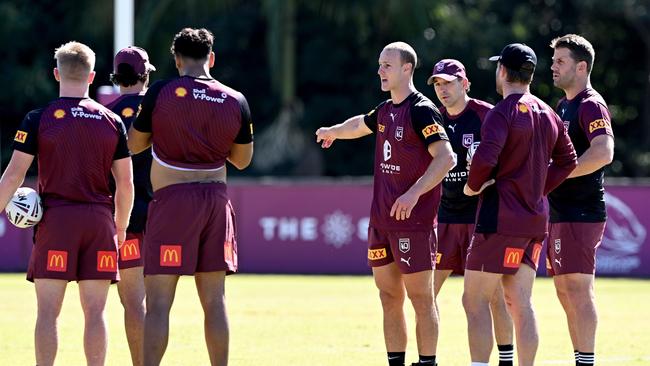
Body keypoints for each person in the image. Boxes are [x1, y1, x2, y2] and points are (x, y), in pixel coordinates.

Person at [316, 42, 455, 366]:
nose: (380, 70)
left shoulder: (421, 109)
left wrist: (413, 194)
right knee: (388, 296)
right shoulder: (385, 109)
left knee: (422, 298)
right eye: (380, 64)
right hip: (381, 222)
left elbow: (446, 157)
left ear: (407, 69)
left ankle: (427, 362)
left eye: (387, 65)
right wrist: (334, 132)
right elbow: (359, 124)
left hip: (413, 222)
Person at [0, 41, 134, 366]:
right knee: (97, 312)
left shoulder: (38, 118)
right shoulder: (112, 121)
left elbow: (13, 176)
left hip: (57, 222)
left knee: (47, 312)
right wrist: (120, 227)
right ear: (92, 77)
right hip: (100, 222)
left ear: (56, 73)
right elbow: (125, 183)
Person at [127, 28, 253, 366]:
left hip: (172, 204)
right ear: (211, 58)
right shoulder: (235, 99)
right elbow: (242, 160)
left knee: (158, 303)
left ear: (177, 60)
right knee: (215, 302)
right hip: (216, 201)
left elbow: (134, 144)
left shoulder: (160, 92)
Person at [462, 43, 577, 366]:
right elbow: (568, 161)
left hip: (500, 219)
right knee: (520, 302)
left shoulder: (503, 111)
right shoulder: (549, 112)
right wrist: (539, 189)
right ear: (530, 74)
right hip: (534, 220)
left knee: (474, 300)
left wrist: (472, 187)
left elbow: (486, 157)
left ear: (502, 71)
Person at [427, 59, 514, 366]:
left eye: (448, 83)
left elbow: (510, 159)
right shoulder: (431, 118)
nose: (442, 89)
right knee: (425, 295)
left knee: (491, 297)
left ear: (465, 84)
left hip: (481, 218)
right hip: (444, 218)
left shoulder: (487, 115)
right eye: (437, 84)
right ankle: (428, 359)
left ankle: (506, 359)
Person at [547, 34, 615, 366]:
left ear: (581, 66)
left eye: (560, 61)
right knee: (564, 289)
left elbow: (603, 151)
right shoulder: (563, 106)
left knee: (577, 288)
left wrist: (557, 174)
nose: (553, 67)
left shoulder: (590, 103)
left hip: (582, 211)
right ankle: (579, 358)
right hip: (561, 211)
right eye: (553, 60)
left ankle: (586, 361)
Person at [104, 45, 156, 366]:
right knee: (160, 304)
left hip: (128, 219)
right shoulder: (164, 110)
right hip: (168, 216)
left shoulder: (106, 115)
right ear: (145, 74)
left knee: (135, 304)